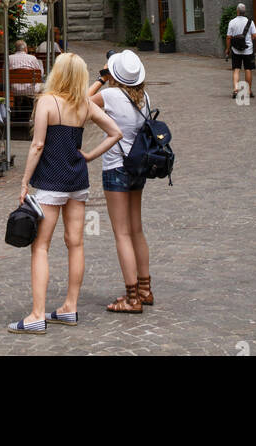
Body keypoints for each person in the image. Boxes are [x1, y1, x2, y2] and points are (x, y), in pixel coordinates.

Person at [9, 52, 121, 334]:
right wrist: (89, 156)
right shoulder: (84, 104)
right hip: (77, 182)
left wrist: (24, 182)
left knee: (41, 247)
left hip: (50, 183)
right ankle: (69, 307)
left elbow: (37, 146)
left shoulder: (47, 101)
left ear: (57, 73)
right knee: (76, 243)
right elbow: (115, 132)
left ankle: (37, 315)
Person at [89, 49, 153, 313]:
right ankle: (145, 289)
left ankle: (131, 298)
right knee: (136, 229)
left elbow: (78, 103)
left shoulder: (111, 95)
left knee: (121, 233)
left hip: (116, 167)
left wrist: (101, 78)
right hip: (137, 167)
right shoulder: (145, 98)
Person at [224, 3, 256, 98]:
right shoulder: (250, 22)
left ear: (237, 11)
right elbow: (255, 35)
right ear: (244, 11)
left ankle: (235, 89)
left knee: (236, 69)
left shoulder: (232, 22)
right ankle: (248, 91)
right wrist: (249, 38)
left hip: (236, 50)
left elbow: (228, 37)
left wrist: (227, 49)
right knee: (248, 69)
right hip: (248, 50)